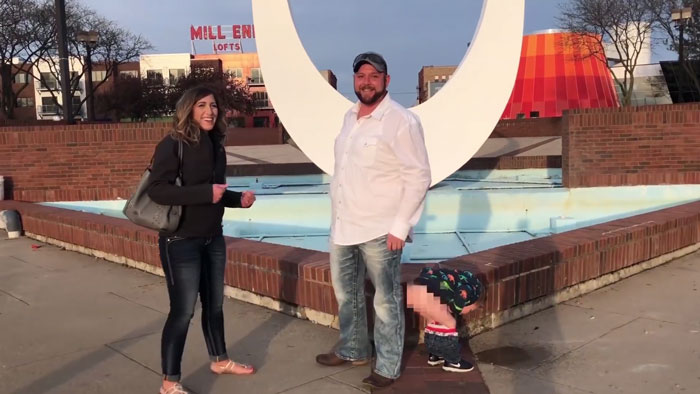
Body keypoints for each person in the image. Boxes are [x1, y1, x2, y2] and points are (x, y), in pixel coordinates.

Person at [315, 52, 431, 388]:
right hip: (344, 226)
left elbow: (418, 174)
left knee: (385, 298)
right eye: (361, 75)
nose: (366, 81)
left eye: (374, 76)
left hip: (381, 229)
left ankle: (389, 364)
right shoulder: (349, 117)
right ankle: (353, 349)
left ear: (386, 80)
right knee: (346, 295)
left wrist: (401, 225)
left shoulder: (400, 120)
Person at [147, 86, 257, 394]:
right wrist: (205, 193)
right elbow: (158, 189)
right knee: (182, 311)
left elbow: (214, 193)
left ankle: (220, 359)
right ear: (188, 110)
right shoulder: (173, 144)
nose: (210, 111)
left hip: (213, 238)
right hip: (180, 240)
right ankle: (170, 382)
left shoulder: (215, 144)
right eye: (202, 105)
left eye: (214, 106)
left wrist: (238, 200)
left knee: (215, 305)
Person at [407, 266, 484, 372]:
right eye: (470, 310)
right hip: (427, 293)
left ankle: (435, 355)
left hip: (414, 290)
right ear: (471, 301)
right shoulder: (471, 290)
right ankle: (452, 361)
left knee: (434, 321)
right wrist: (455, 308)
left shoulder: (459, 280)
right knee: (450, 322)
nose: (467, 312)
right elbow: (461, 294)